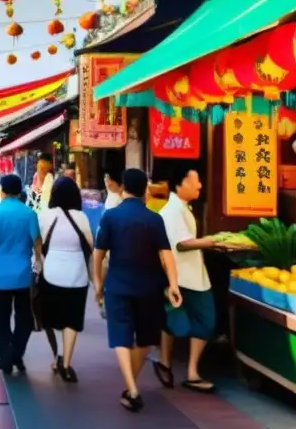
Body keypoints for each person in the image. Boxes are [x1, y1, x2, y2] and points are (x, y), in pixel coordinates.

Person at [93, 168, 181, 413]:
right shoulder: (154, 218)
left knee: (120, 336)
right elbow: (166, 255)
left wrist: (98, 283)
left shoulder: (110, 217)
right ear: (145, 191)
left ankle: (132, 389)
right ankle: (130, 385)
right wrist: (173, 284)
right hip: (148, 286)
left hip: (118, 285)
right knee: (146, 338)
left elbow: (98, 255)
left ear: (122, 188)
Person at [156, 168, 217, 394]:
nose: (199, 186)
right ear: (179, 185)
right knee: (203, 320)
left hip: (186, 275)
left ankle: (167, 363)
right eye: (195, 182)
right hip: (184, 277)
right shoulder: (173, 211)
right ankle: (188, 371)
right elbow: (182, 244)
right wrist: (211, 242)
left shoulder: (179, 208)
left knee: (174, 318)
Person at [0, 173, 42, 376]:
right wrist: (37, 261)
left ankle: (6, 355)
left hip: (0, 278)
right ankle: (16, 353)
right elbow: (37, 241)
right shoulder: (29, 213)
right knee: (24, 318)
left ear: (1, 191)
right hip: (23, 276)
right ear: (20, 191)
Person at [37, 176, 94, 382]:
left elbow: (39, 243)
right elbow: (90, 245)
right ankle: (67, 363)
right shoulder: (82, 217)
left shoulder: (46, 216)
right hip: (77, 275)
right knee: (72, 319)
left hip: (51, 273)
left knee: (51, 318)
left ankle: (57, 355)